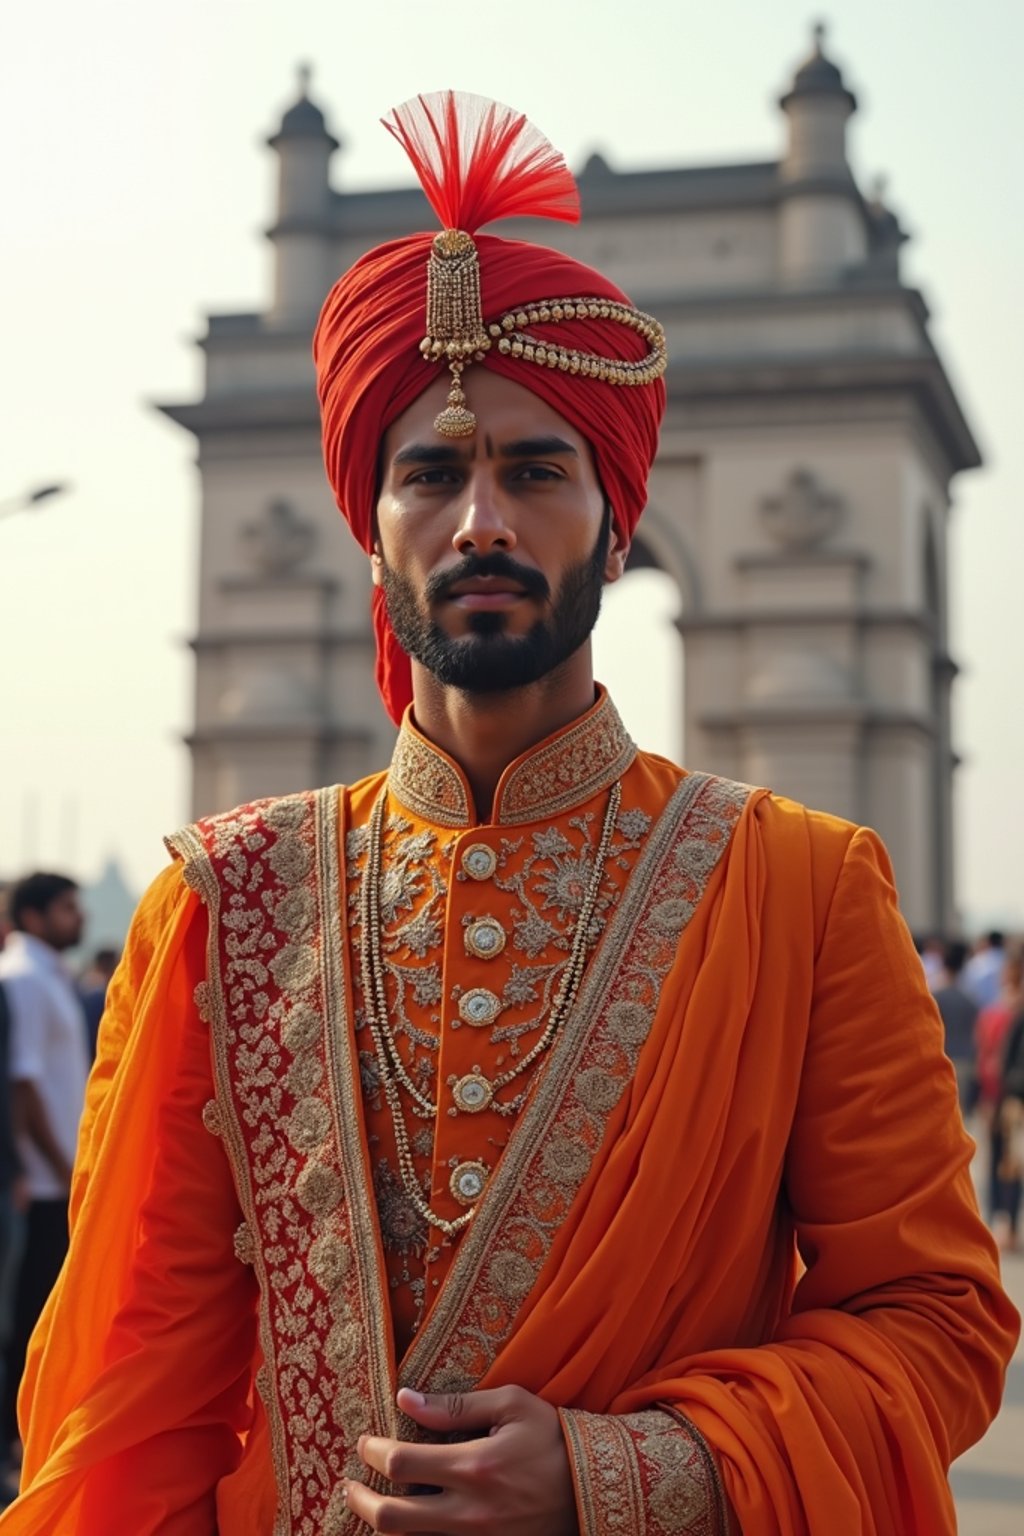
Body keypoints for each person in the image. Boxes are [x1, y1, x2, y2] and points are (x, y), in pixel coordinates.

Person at [2, 93, 1017, 1536]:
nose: (483, 520)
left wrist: (627, 1473)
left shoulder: (803, 890)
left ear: (617, 516)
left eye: (538, 470)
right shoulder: (222, 905)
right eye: (432, 471)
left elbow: (938, 1323)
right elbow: (128, 1403)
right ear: (369, 524)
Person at [0, 875, 88, 1466]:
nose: (77, 918)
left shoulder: (47, 977)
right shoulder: (24, 980)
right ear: (32, 917)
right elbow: (21, 1081)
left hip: (55, 1176)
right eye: (65, 909)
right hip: (41, 1183)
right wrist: (59, 1166)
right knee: (30, 1317)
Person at [932, 939, 979, 1112]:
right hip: (965, 1060)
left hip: (941, 1059)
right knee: (961, 1114)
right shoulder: (971, 1001)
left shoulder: (934, 997)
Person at [964, 929, 1006, 1010]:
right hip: (1006, 1011)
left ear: (988, 942)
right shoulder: (1010, 961)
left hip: (981, 1009)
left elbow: (967, 987)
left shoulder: (977, 961)